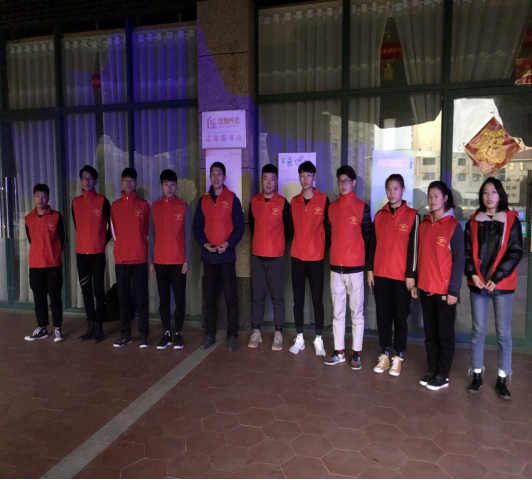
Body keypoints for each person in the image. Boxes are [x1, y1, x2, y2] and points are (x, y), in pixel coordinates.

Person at [464, 178, 523, 400]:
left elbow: (515, 252)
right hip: (478, 282)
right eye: (485, 192)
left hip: (502, 283)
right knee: (478, 330)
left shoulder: (511, 219)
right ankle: (477, 374)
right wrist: (473, 274)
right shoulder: (473, 221)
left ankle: (502, 378)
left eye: (494, 192)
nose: (489, 197)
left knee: (503, 333)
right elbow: (467, 252)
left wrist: (496, 278)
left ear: (501, 195)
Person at [413, 181, 464, 391]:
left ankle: (443, 374)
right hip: (426, 288)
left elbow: (459, 261)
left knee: (445, 335)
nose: (432, 200)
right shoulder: (425, 224)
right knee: (430, 335)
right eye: (429, 196)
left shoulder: (453, 227)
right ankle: (432, 370)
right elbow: (419, 256)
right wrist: (417, 282)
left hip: (444, 292)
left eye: (436, 196)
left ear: (445, 198)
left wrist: (453, 290)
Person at [367, 174, 419, 377]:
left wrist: (411, 274)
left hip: (401, 277)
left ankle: (398, 356)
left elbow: (414, 248)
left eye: (396, 189)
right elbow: (373, 245)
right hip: (381, 274)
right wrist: (370, 270)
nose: (392, 193)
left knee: (400, 317)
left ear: (403, 190)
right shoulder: (379, 215)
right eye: (388, 189)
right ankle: (384, 354)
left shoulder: (412, 215)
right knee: (383, 316)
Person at [193, 162, 245, 352]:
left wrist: (228, 244)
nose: (216, 178)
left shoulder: (232, 199)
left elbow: (240, 227)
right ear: (210, 177)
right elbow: (197, 227)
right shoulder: (203, 200)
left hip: (226, 257)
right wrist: (203, 243)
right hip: (209, 258)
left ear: (224, 177)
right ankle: (210, 334)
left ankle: (232, 335)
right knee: (209, 300)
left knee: (231, 299)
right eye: (213, 174)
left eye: (219, 174)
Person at [324, 166, 371, 370]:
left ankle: (356, 353)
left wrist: (363, 262)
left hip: (356, 269)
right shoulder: (332, 208)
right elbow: (328, 235)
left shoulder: (362, 207)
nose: (343, 185)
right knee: (338, 313)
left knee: (357, 313)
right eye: (340, 181)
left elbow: (368, 237)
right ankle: (339, 351)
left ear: (354, 182)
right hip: (336, 268)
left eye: (346, 181)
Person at [248, 164, 293, 351]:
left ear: (277, 181)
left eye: (272, 179)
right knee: (257, 296)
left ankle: (278, 332)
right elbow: (252, 226)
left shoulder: (283, 203)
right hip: (257, 256)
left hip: (276, 257)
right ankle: (256, 331)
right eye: (265, 179)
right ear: (261, 180)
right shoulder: (254, 201)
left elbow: (289, 229)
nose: (268, 183)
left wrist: (278, 244)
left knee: (277, 297)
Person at [289, 161, 331, 357]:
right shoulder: (294, 202)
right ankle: (299, 337)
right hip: (297, 256)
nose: (305, 179)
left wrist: (321, 248)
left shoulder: (323, 200)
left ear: (315, 177)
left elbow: (329, 229)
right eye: (302, 175)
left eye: (308, 175)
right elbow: (290, 228)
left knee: (317, 300)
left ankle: (318, 338)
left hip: (316, 258)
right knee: (298, 299)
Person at [149, 169, 192, 350]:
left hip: (178, 261)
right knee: (164, 300)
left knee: (180, 299)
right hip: (160, 261)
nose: (169, 188)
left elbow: (188, 235)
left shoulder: (184, 207)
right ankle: (166, 332)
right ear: (161, 186)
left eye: (172, 184)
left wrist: (187, 260)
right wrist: (151, 261)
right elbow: (151, 235)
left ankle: (178, 333)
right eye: (166, 184)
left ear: (176, 186)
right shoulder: (155, 207)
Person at [111, 168, 151, 348]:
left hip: (139, 258)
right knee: (123, 298)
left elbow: (148, 231)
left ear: (136, 182)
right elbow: (113, 232)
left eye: (131, 180)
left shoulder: (144, 205)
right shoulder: (115, 206)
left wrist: (140, 247)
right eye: (125, 180)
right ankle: (125, 334)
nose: (128, 183)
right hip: (121, 259)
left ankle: (143, 334)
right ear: (121, 182)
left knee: (142, 298)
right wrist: (121, 248)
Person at [72, 165, 111, 344]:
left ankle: (99, 327)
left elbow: (112, 226)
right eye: (84, 178)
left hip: (97, 253)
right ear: (80, 181)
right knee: (85, 290)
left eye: (90, 178)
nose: (87, 181)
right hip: (81, 253)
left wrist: (102, 241)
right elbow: (77, 225)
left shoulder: (102, 201)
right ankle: (90, 324)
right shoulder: (75, 202)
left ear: (95, 181)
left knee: (98, 291)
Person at [24, 184, 67, 343]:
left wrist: (52, 254)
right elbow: (31, 239)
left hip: (52, 265)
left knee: (55, 298)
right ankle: (42, 328)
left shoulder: (56, 216)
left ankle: (57, 329)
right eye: (37, 196)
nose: (40, 199)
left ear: (48, 198)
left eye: (43, 196)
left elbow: (63, 240)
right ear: (33, 198)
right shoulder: (28, 218)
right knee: (39, 299)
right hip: (35, 265)